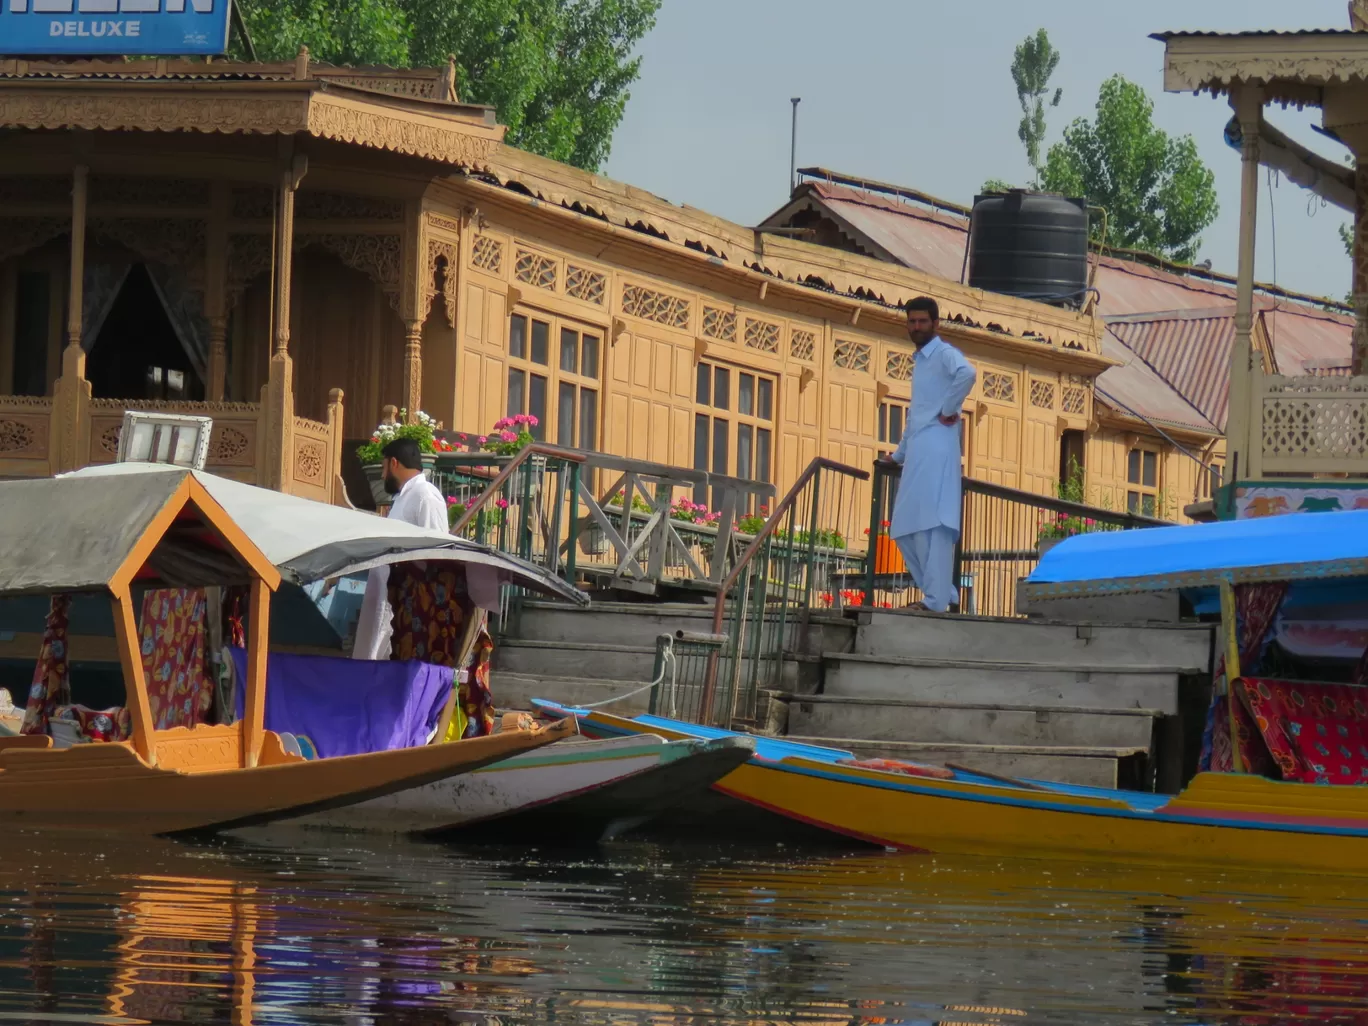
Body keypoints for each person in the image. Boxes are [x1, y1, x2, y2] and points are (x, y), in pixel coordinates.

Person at [884, 296, 976, 613]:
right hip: (919, 448)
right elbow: (915, 415)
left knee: (934, 523)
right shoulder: (922, 361)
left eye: (923, 321)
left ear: (936, 324)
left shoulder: (945, 354)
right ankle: (943, 593)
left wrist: (949, 409)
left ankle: (935, 600)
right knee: (904, 527)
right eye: (912, 321)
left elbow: (968, 373)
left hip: (938, 446)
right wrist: (898, 456)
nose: (917, 327)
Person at [351, 437, 447, 660]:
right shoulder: (404, 498)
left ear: (394, 463)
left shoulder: (426, 496)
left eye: (384, 467)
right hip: (388, 596)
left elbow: (436, 553)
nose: (383, 475)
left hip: (407, 603)